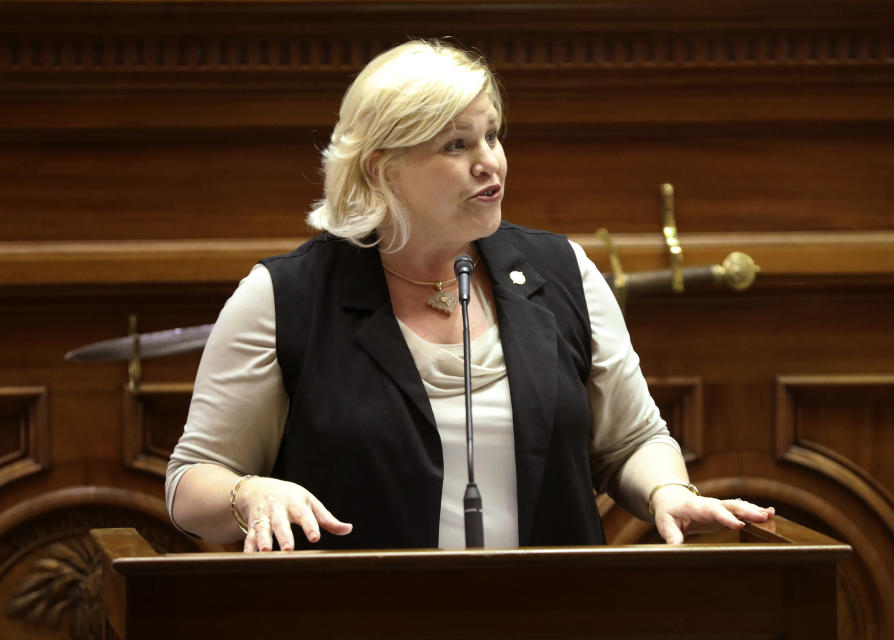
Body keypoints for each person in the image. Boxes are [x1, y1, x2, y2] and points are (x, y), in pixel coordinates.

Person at [165, 39, 774, 553]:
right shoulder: (284, 296)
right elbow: (190, 483)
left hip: (559, 613)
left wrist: (669, 492)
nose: (492, 164)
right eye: (457, 146)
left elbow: (633, 441)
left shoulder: (561, 271)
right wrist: (249, 494)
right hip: (354, 615)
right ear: (380, 169)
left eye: (493, 136)